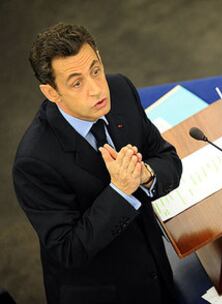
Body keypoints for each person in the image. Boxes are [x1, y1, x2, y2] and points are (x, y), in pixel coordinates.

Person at [12, 23, 182, 304]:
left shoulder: (120, 89)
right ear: (52, 93)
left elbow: (166, 158)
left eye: (95, 70)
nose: (96, 89)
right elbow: (68, 251)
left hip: (155, 264)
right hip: (103, 292)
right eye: (77, 82)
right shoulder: (33, 163)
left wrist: (146, 175)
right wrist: (120, 190)